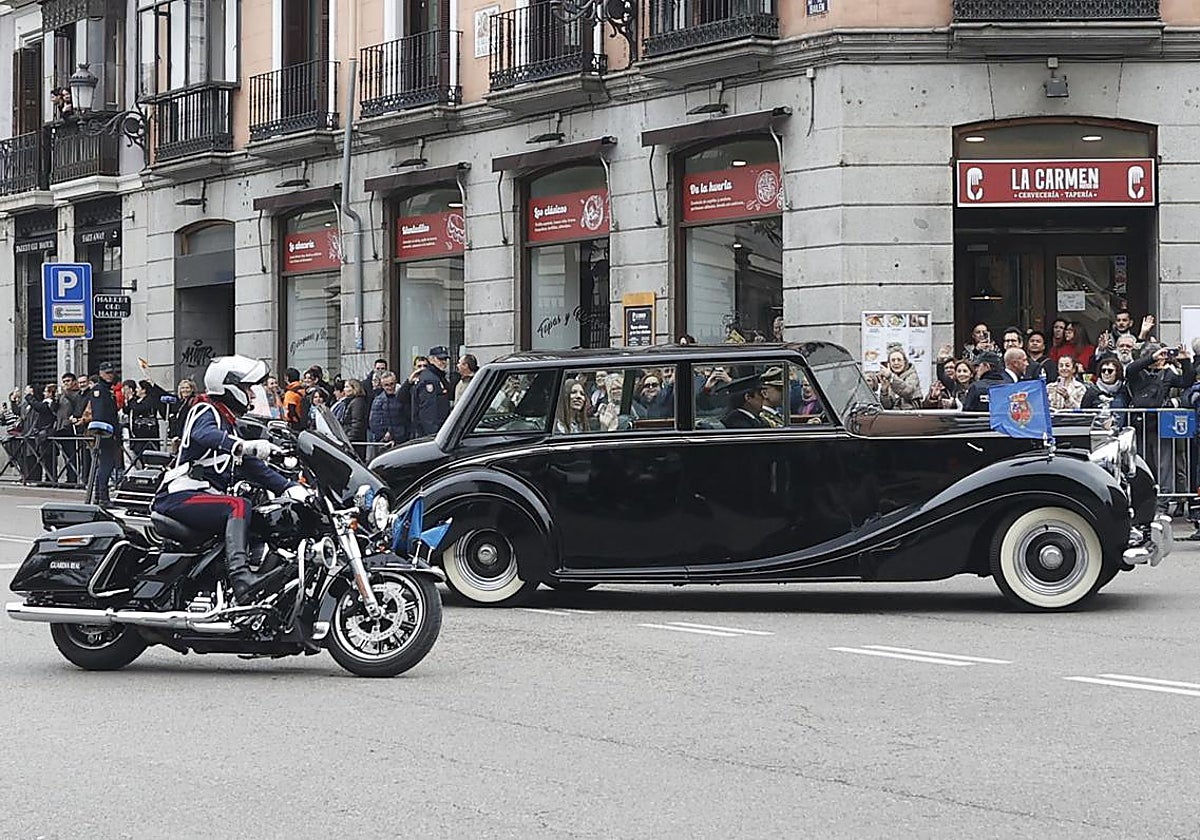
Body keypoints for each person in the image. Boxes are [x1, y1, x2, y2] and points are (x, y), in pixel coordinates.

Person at [152, 355, 308, 602]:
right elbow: (204, 434)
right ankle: (241, 579)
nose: (253, 394)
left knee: (261, 513)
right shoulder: (205, 409)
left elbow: (256, 469)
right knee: (238, 506)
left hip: (201, 497)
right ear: (229, 387)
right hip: (179, 496)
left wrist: (290, 487)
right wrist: (244, 446)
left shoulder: (229, 424)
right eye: (248, 388)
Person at [86, 361, 122, 507]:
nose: (110, 376)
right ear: (101, 373)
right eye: (107, 373)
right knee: (106, 466)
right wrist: (104, 433)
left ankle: (98, 496)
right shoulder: (99, 390)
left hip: (108, 433)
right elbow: (100, 414)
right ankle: (102, 497)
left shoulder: (107, 390)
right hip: (104, 434)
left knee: (105, 466)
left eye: (111, 373)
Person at [412, 346, 452, 438]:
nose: (443, 362)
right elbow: (428, 411)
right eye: (440, 359)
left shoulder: (438, 377)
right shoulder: (430, 379)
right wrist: (433, 435)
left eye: (445, 359)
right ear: (431, 359)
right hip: (432, 433)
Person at [369, 371, 409, 445]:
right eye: (386, 385)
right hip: (386, 441)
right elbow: (374, 422)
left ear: (395, 382)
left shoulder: (403, 397)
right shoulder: (378, 401)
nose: (390, 387)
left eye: (391, 384)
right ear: (382, 385)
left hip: (403, 438)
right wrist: (383, 436)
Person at [127, 380, 162, 459]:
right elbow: (127, 409)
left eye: (138, 388)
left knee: (148, 455)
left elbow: (139, 408)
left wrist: (131, 399)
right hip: (136, 434)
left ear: (144, 390)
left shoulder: (150, 400)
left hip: (147, 434)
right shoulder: (136, 400)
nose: (136, 390)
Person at [340, 378, 370, 450]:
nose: (344, 389)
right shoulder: (351, 401)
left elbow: (357, 423)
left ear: (354, 388)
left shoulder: (357, 403)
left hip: (355, 441)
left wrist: (349, 438)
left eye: (347, 387)